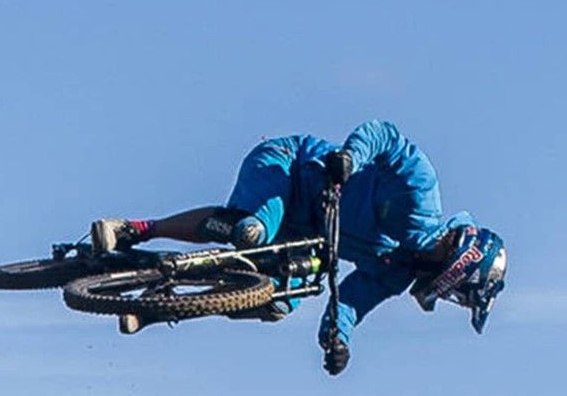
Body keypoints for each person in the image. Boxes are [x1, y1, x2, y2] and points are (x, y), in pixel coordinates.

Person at [89, 120, 506, 375]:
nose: (445, 296)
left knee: (279, 302)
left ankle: (160, 306)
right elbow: (386, 135)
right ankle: (137, 229)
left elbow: (353, 303)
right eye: (457, 293)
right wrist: (351, 157)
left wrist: (336, 340)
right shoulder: (422, 192)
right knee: (251, 232)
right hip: (286, 169)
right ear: (465, 263)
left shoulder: (398, 271)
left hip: (307, 233)